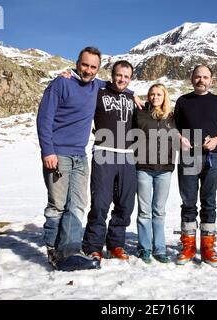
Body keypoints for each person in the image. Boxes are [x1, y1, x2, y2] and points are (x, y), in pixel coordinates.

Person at [36, 47, 109, 268]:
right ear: (77, 63)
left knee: (77, 205)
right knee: (57, 205)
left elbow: (118, 85)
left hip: (80, 156)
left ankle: (69, 251)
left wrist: (133, 96)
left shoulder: (97, 86)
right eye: (85, 65)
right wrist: (47, 150)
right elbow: (44, 119)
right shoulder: (61, 83)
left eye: (93, 67)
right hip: (58, 153)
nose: (88, 70)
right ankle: (52, 249)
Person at [81, 60, 137, 263]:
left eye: (126, 76)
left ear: (130, 79)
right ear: (112, 75)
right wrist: (68, 74)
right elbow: (83, 81)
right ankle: (93, 246)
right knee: (100, 202)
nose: (122, 79)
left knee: (125, 203)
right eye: (119, 75)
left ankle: (115, 245)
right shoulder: (99, 91)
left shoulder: (132, 98)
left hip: (127, 155)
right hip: (104, 153)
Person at [174, 65, 217, 267]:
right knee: (188, 202)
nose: (201, 80)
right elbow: (173, 126)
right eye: (198, 76)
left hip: (212, 156)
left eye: (205, 77)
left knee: (209, 202)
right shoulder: (183, 101)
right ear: (192, 78)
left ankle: (208, 248)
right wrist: (179, 138)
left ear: (211, 80)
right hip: (189, 155)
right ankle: (188, 246)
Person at [134, 84, 178, 264]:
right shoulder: (140, 112)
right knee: (144, 211)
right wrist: (132, 96)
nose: (154, 97)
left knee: (159, 211)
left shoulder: (171, 116)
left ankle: (159, 248)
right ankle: (145, 248)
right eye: (152, 94)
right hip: (143, 167)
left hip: (164, 170)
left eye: (158, 94)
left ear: (164, 96)